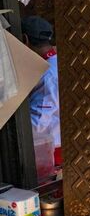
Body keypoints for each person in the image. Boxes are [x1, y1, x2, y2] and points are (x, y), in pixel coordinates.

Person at [22, 16, 61, 164]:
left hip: (52, 153)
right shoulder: (58, 62)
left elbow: (37, 124)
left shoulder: (47, 74)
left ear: (24, 40)